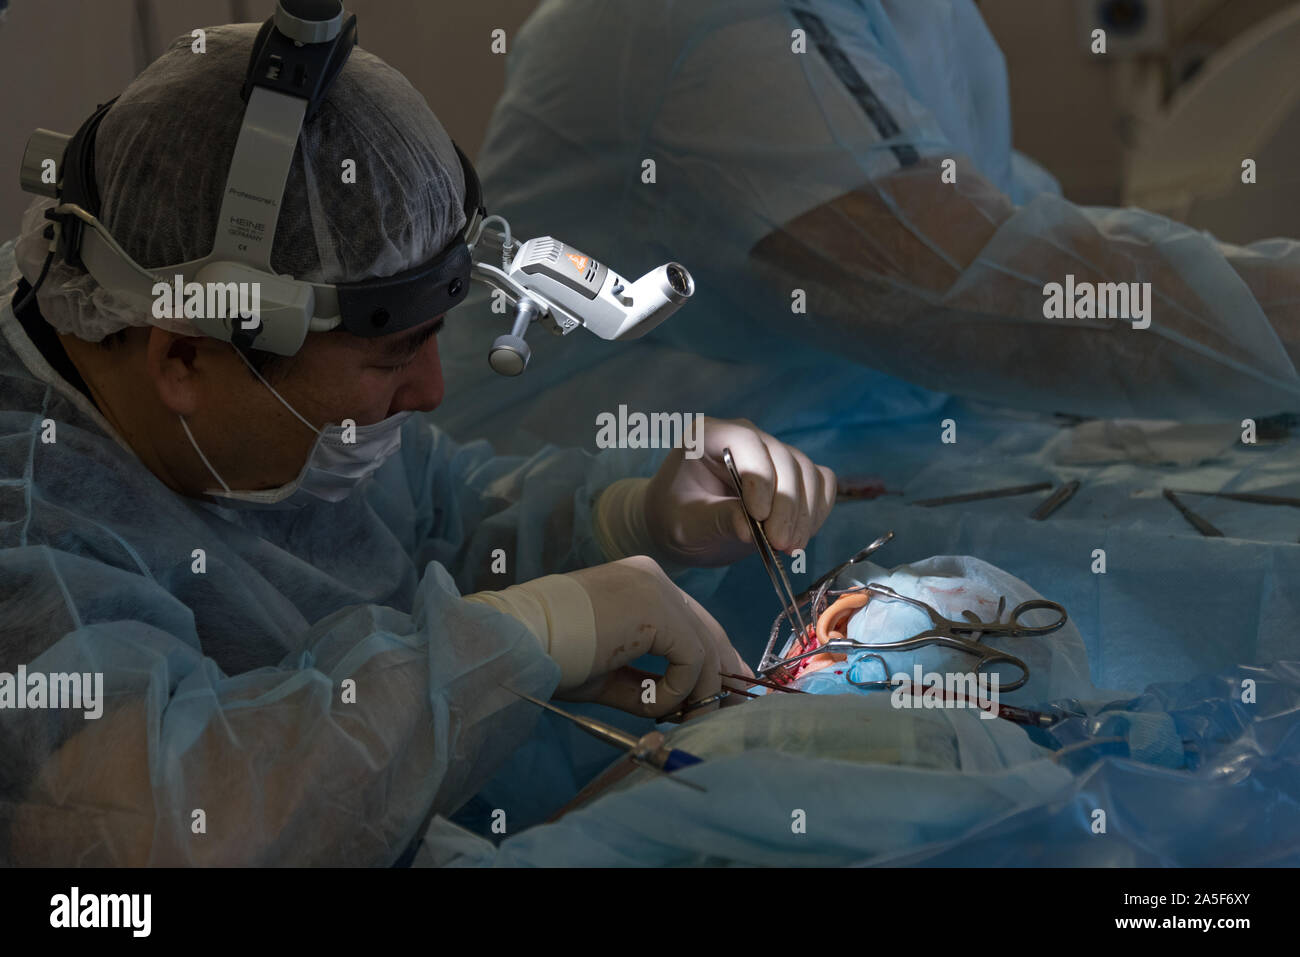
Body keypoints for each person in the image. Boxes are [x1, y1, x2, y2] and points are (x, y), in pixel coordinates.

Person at [0, 23, 837, 865]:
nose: (434, 391)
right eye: (394, 355)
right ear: (184, 352)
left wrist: (633, 519)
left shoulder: (261, 413)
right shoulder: (30, 525)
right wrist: (533, 635)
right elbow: (136, 831)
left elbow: (437, 520)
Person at [433, 0, 1300, 456]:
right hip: (583, 508)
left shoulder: (900, 13)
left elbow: (1003, 211)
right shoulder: (702, 23)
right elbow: (982, 295)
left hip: (828, 442)